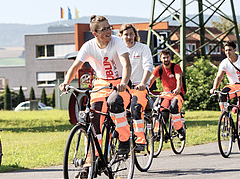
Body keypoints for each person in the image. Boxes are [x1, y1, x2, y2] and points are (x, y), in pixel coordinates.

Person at [59, 15, 132, 155]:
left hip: (120, 82)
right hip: (101, 83)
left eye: (109, 27)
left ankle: (124, 139)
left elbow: (126, 64)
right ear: (95, 34)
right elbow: (75, 67)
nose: (109, 31)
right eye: (104, 29)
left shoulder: (117, 42)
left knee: (114, 102)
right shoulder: (88, 46)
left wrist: (123, 83)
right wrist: (66, 82)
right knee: (93, 117)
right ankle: (92, 159)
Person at [119, 23, 153, 152]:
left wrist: (143, 83)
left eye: (131, 34)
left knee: (136, 108)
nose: (129, 37)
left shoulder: (142, 48)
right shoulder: (118, 50)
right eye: (126, 34)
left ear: (135, 35)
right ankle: (120, 138)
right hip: (123, 87)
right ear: (121, 36)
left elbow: (148, 66)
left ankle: (140, 140)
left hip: (139, 86)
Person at [149, 48, 185, 140]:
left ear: (170, 58)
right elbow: (151, 80)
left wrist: (177, 88)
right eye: (164, 58)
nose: (166, 60)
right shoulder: (159, 69)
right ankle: (157, 132)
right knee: (156, 109)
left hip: (177, 94)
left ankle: (180, 130)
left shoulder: (175, 67)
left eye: (167, 57)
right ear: (161, 59)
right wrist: (145, 88)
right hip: (166, 94)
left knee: (174, 108)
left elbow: (179, 78)